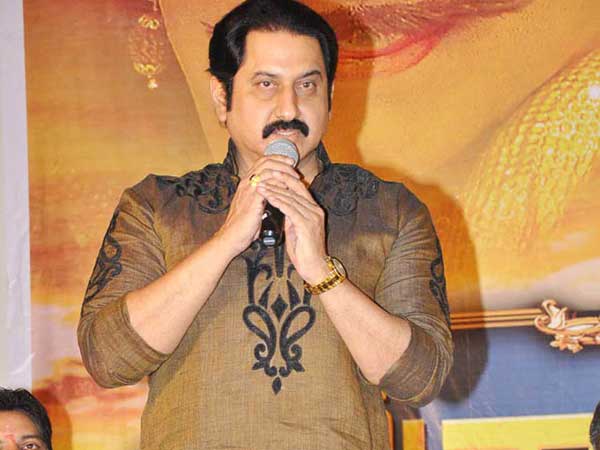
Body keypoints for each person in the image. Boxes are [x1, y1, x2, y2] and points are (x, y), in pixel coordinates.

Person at [78, 1, 453, 448]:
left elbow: (421, 379)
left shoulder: (389, 210)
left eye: (307, 85)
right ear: (222, 97)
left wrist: (321, 272)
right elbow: (108, 358)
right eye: (266, 84)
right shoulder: (157, 206)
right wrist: (225, 241)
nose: (289, 107)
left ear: (330, 95)